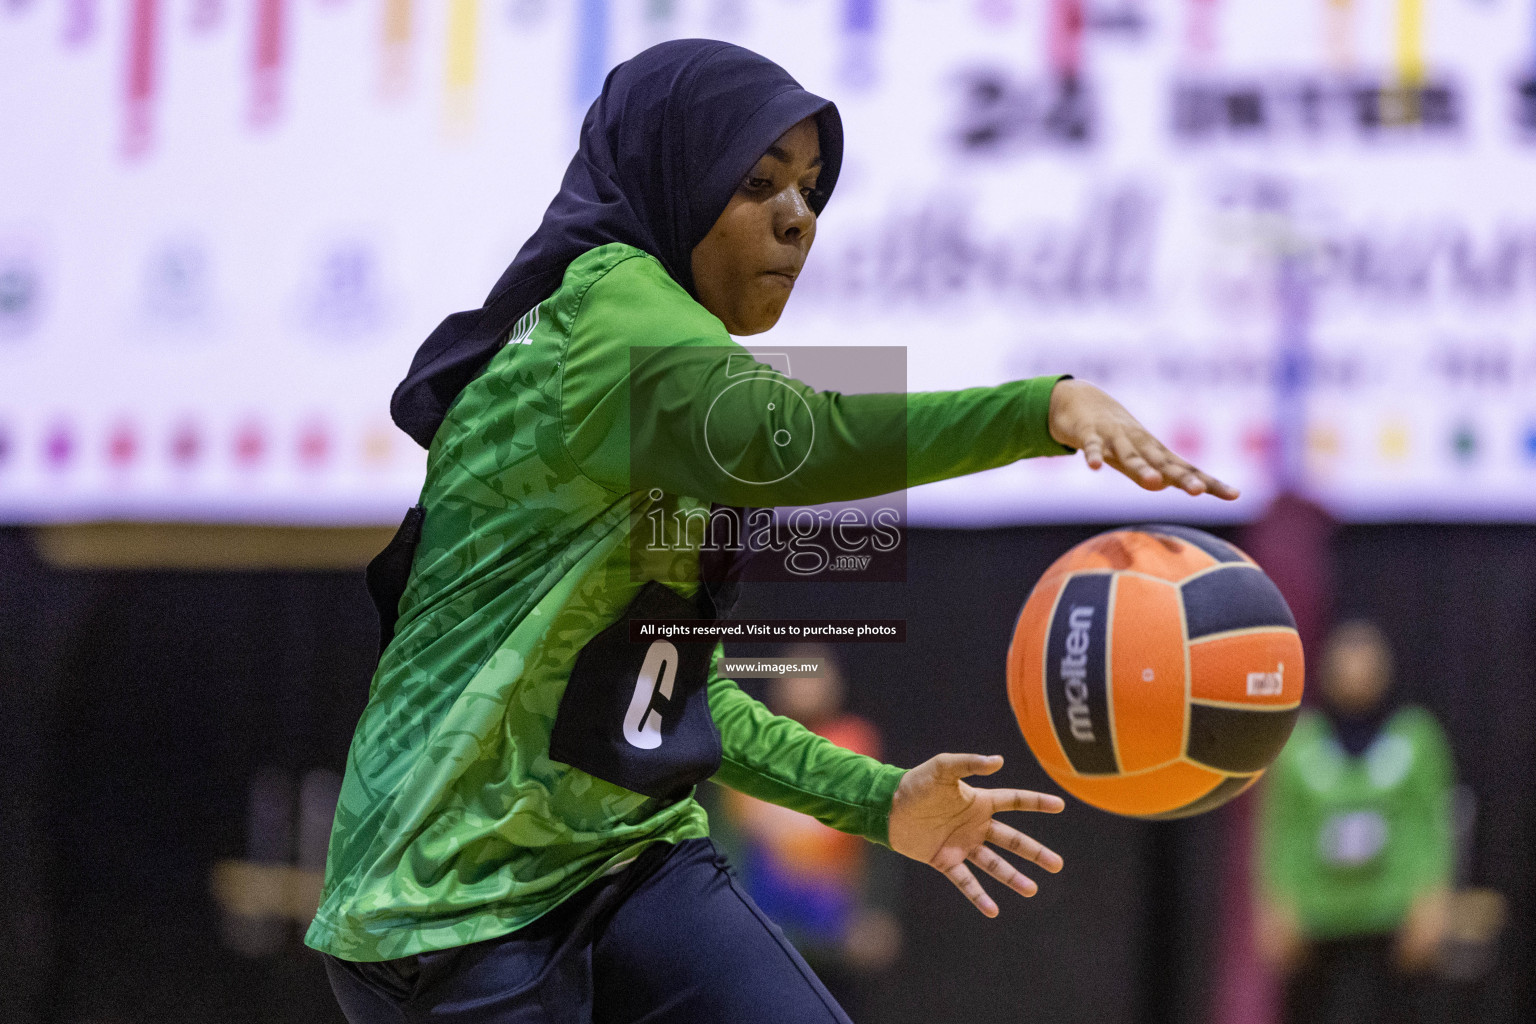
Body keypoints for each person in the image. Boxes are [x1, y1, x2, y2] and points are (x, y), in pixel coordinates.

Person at [306, 38, 1237, 1024]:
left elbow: (674, 698)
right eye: (759, 182)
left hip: (624, 856)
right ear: (675, 171)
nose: (797, 217)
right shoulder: (613, 302)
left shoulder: (672, 382)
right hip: (451, 903)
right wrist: (1035, 410)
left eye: (812, 189)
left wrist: (881, 802)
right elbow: (804, 435)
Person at [1256, 620, 1456, 1024]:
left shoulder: (1416, 737)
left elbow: (1436, 823)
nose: (1356, 671)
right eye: (1347, 659)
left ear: (1385, 669)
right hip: (1317, 919)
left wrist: (1434, 897)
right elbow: (1277, 829)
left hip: (1392, 916)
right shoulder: (1299, 742)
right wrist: (1275, 905)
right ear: (1326, 668)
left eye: (1366, 660)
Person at [711, 645, 901, 1016]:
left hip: (840, 942)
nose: (806, 684)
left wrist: (879, 910)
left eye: (815, 673)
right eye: (796, 674)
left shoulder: (856, 748)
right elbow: (723, 844)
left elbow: (878, 841)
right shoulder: (745, 749)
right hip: (764, 940)